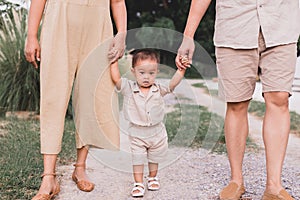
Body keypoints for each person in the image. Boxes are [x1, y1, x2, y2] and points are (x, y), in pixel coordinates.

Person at [176, 0, 300, 200]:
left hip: (282, 26)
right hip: (234, 26)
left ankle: (274, 186)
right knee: (236, 103)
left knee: (279, 98)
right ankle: (236, 181)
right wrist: (188, 36)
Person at [24, 0, 126, 199]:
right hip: (59, 20)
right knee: (53, 97)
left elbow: (118, 1)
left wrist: (121, 33)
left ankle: (80, 168)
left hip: (98, 24)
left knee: (91, 97)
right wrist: (31, 35)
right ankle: (49, 177)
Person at [110, 49, 186, 197]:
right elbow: (116, 78)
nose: (146, 77)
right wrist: (113, 62)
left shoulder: (158, 88)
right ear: (133, 71)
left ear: (156, 72)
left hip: (156, 132)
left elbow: (172, 84)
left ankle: (152, 177)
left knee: (154, 157)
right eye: (142, 72)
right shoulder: (129, 88)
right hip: (137, 133)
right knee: (138, 158)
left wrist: (181, 71)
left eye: (151, 73)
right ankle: (138, 183)